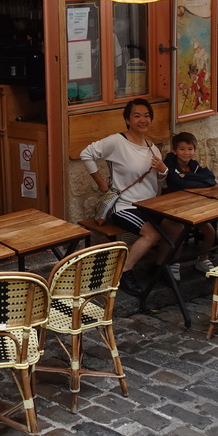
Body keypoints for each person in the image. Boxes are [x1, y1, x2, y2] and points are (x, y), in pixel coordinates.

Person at [80, 98, 168, 295]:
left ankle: (160, 267)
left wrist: (163, 169)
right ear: (128, 120)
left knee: (175, 226)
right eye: (137, 116)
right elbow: (86, 153)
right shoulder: (117, 141)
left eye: (146, 116)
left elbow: (160, 180)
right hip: (125, 206)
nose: (142, 120)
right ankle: (125, 271)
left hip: (149, 206)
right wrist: (101, 183)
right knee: (152, 234)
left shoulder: (151, 147)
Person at [163, 132, 217, 273]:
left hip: (192, 206)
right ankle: (175, 262)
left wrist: (187, 176)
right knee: (180, 231)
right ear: (175, 151)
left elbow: (210, 179)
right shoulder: (169, 162)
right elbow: (178, 184)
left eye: (190, 149)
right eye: (182, 149)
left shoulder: (194, 165)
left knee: (210, 232)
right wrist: (196, 180)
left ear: (194, 151)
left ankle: (203, 259)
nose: (186, 153)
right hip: (172, 207)